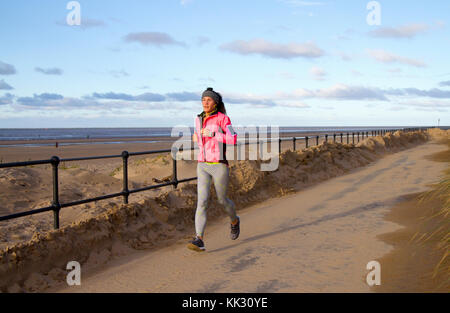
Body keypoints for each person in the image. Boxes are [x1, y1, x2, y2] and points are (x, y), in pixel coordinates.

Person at [187, 87, 240, 252]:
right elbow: (199, 136)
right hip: (202, 164)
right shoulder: (198, 118)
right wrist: (196, 137)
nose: (205, 103)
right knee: (201, 201)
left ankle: (234, 221)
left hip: (219, 164)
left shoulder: (224, 119)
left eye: (208, 100)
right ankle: (199, 239)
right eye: (203, 100)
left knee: (222, 200)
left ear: (215, 103)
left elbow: (233, 138)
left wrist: (213, 134)